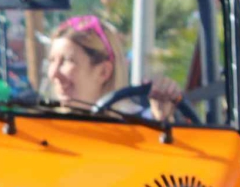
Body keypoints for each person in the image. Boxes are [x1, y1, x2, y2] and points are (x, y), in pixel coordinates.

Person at [46, 16, 182, 120]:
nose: (53, 73)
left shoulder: (137, 126)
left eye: (67, 61)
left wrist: (161, 118)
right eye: (52, 60)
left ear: (103, 72)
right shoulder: (45, 127)